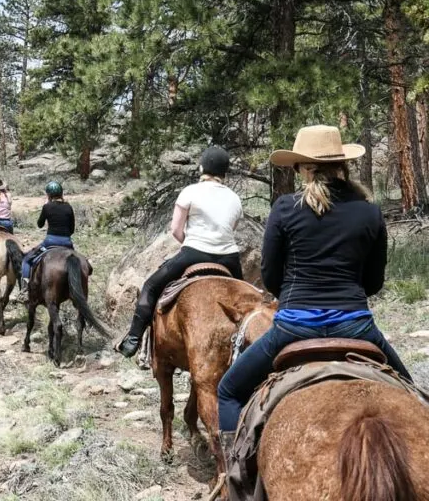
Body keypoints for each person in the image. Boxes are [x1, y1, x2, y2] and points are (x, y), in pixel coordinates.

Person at [216, 124, 413, 453]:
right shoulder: (370, 212)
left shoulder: (284, 208)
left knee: (228, 391)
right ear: (342, 165)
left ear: (303, 168)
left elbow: (271, 275)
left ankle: (232, 475)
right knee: (410, 393)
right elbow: (374, 283)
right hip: (357, 326)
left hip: (293, 326)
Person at [115, 146, 244, 358]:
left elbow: (175, 230)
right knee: (245, 300)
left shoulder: (190, 191)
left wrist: (191, 243)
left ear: (202, 168)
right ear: (224, 172)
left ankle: (133, 338)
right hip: (229, 258)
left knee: (150, 286)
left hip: (194, 253)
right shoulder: (235, 199)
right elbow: (231, 228)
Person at [18, 181, 75, 299]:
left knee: (27, 260)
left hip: (50, 241)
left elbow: (39, 224)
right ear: (61, 193)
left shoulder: (47, 207)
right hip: (67, 243)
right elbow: (71, 229)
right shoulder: (69, 207)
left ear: (48, 195)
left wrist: (45, 207)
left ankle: (24, 289)